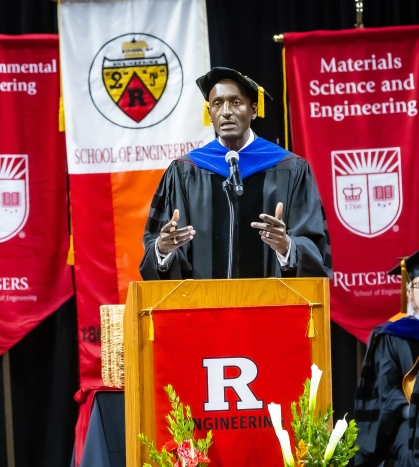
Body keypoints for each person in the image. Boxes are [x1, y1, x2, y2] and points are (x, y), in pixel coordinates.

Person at [140, 67, 332, 280]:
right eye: (217, 103)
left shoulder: (291, 169)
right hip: (205, 307)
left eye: (236, 102)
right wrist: (162, 249)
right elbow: (157, 244)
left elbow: (313, 246)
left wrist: (287, 247)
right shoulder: (185, 171)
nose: (226, 111)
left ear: (254, 110)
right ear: (210, 114)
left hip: (271, 307)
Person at [354, 251, 419, 467]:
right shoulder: (393, 334)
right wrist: (412, 409)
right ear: (409, 293)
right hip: (408, 419)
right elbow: (387, 390)